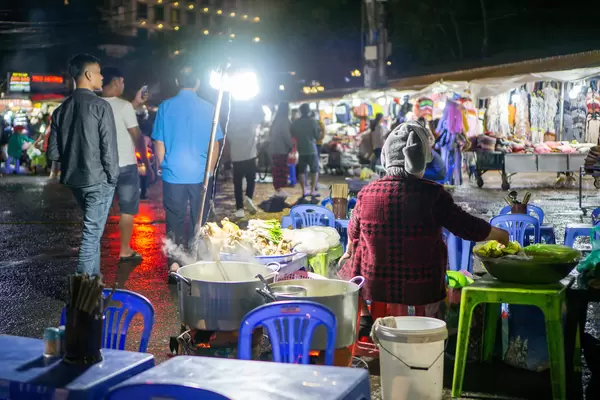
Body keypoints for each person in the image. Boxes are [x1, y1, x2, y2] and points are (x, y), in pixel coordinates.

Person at [339, 121, 509, 332]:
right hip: (423, 284)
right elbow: (465, 226)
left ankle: (365, 315)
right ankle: (429, 330)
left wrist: (348, 251)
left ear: (386, 158)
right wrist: (498, 234)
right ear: (422, 160)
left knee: (351, 259)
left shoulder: (367, 193)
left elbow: (353, 231)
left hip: (377, 284)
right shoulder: (432, 194)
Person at [47, 53, 119, 276]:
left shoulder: (60, 110)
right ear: (88, 75)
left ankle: (93, 289)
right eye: (99, 72)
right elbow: (109, 150)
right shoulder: (101, 106)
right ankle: (82, 296)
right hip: (98, 180)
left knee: (92, 234)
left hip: (75, 181)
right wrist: (113, 177)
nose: (102, 77)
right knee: (90, 237)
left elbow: (53, 152)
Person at [152, 66, 222, 280]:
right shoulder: (210, 107)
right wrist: (209, 171)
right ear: (198, 83)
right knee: (199, 220)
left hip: (174, 173)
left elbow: (159, 141)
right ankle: (197, 261)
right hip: (201, 174)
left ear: (176, 81)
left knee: (174, 218)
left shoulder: (165, 107)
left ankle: (174, 264)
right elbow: (215, 144)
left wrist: (162, 164)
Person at [101, 67, 153, 262]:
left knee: (99, 210)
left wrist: (135, 103)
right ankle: (124, 250)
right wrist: (147, 164)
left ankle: (92, 249)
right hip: (126, 167)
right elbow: (137, 137)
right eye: (122, 83)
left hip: (101, 168)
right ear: (116, 81)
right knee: (127, 210)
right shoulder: (124, 106)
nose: (123, 86)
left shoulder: (94, 105)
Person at [226, 97, 264, 218]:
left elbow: (228, 138)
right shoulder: (251, 121)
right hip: (250, 156)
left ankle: (239, 208)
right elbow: (261, 115)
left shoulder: (232, 123)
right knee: (251, 180)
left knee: (237, 184)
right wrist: (256, 102)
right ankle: (248, 197)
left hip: (237, 157)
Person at [291, 103, 321, 198]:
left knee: (301, 171)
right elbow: (317, 136)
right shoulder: (313, 122)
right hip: (312, 149)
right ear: (308, 111)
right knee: (314, 170)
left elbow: (292, 134)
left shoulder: (296, 123)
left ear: (300, 111)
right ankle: (312, 190)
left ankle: (304, 190)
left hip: (301, 149)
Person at [269, 102, 294, 198]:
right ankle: (278, 190)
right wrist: (291, 145)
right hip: (281, 149)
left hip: (274, 148)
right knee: (281, 169)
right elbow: (285, 134)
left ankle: (278, 189)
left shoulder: (276, 120)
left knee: (276, 169)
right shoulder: (284, 120)